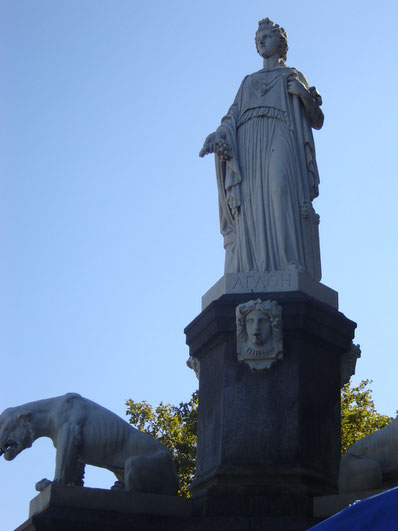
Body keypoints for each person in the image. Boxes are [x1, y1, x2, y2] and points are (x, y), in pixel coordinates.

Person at [200, 18, 324, 280]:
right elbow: (231, 117)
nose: (260, 41)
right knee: (252, 201)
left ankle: (289, 261)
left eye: (266, 36)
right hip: (248, 143)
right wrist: (218, 134)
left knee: (280, 192)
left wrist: (302, 94)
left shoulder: (292, 76)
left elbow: (317, 120)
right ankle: (253, 265)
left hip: (281, 133)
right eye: (258, 39)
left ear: (281, 43)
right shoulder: (247, 82)